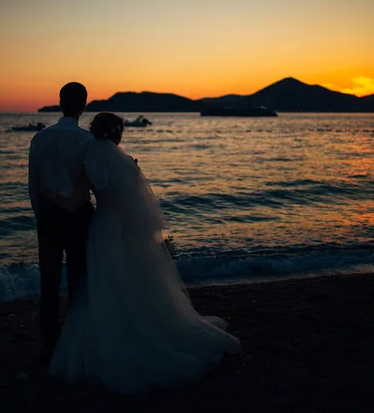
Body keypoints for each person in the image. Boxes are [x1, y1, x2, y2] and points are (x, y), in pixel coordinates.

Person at [40, 111, 241, 394]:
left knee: (107, 286)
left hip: (106, 229)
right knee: (138, 282)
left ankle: (119, 338)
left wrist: (46, 192)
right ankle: (150, 330)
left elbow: (74, 204)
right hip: (130, 231)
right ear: (116, 133)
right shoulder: (125, 160)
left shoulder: (91, 157)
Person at [28, 82, 94, 363]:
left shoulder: (39, 140)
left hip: (48, 215)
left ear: (59, 102)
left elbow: (34, 185)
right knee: (79, 279)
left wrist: (40, 214)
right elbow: (93, 183)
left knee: (50, 279)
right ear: (84, 105)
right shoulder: (87, 141)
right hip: (79, 215)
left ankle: (49, 342)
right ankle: (78, 338)